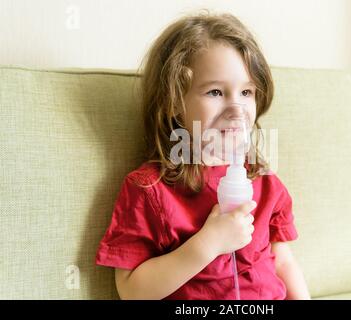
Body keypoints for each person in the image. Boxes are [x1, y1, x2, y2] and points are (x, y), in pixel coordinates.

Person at [95, 10, 311, 300]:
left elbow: (283, 261)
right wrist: (208, 244)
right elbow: (132, 291)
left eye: (246, 92)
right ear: (173, 102)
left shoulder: (265, 182)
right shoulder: (149, 190)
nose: (236, 109)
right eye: (215, 92)